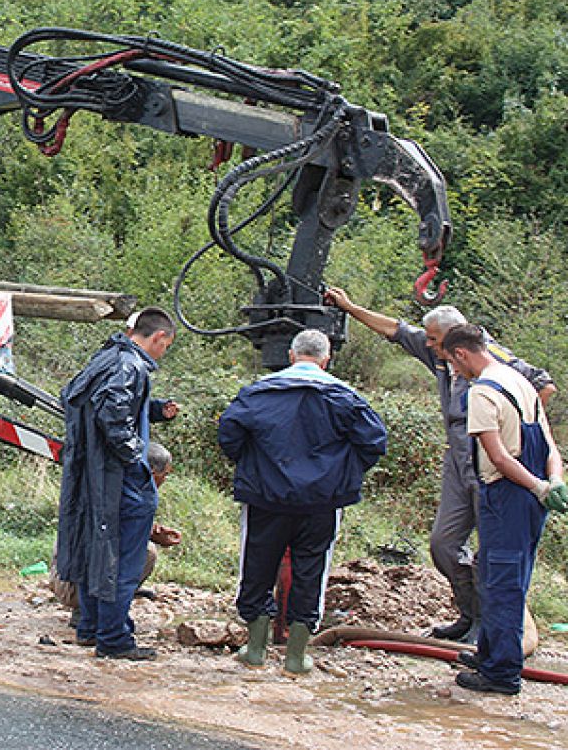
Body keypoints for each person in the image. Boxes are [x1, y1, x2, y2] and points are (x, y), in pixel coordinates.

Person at [323, 288, 556, 642]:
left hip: (492, 461)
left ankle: (491, 629)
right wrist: (349, 307)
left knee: (491, 552)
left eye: (433, 339)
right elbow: (396, 331)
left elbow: (543, 387)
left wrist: (511, 430)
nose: (428, 344)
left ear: (455, 341)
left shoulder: (493, 358)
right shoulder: (440, 352)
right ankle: (470, 613)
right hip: (457, 462)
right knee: (443, 545)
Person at [218, 329, 387, 674]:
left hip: (266, 498)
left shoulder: (259, 392)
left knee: (256, 565)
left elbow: (229, 433)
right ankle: (296, 657)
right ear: (327, 361)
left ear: (292, 356)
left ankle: (255, 651)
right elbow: (373, 443)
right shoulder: (347, 398)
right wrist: (337, 475)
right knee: (313, 570)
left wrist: (255, 466)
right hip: (322, 502)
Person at [440, 324, 568, 695]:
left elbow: (497, 455)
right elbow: (549, 446)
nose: (455, 373)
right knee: (499, 577)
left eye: (453, 363)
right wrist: (553, 481)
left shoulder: (480, 393)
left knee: (503, 584)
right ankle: (489, 653)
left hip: (507, 495)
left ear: (462, 354)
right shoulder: (521, 382)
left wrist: (537, 485)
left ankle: (501, 674)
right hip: (529, 497)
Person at [55, 307, 179, 661]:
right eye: (165, 346)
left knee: (98, 550)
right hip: (118, 479)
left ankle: (91, 626)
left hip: (92, 477)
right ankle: (114, 639)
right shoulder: (132, 365)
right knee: (122, 560)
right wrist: (136, 460)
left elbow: (79, 399)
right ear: (158, 338)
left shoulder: (106, 357)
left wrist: (153, 410)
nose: (162, 352)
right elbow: (112, 414)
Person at [51, 442, 183, 621]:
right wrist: (150, 534)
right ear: (150, 473)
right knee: (146, 552)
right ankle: (94, 609)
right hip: (71, 584)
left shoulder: (110, 484)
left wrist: (152, 531)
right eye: (164, 475)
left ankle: (101, 602)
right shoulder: (127, 495)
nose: (165, 481)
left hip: (67, 575)